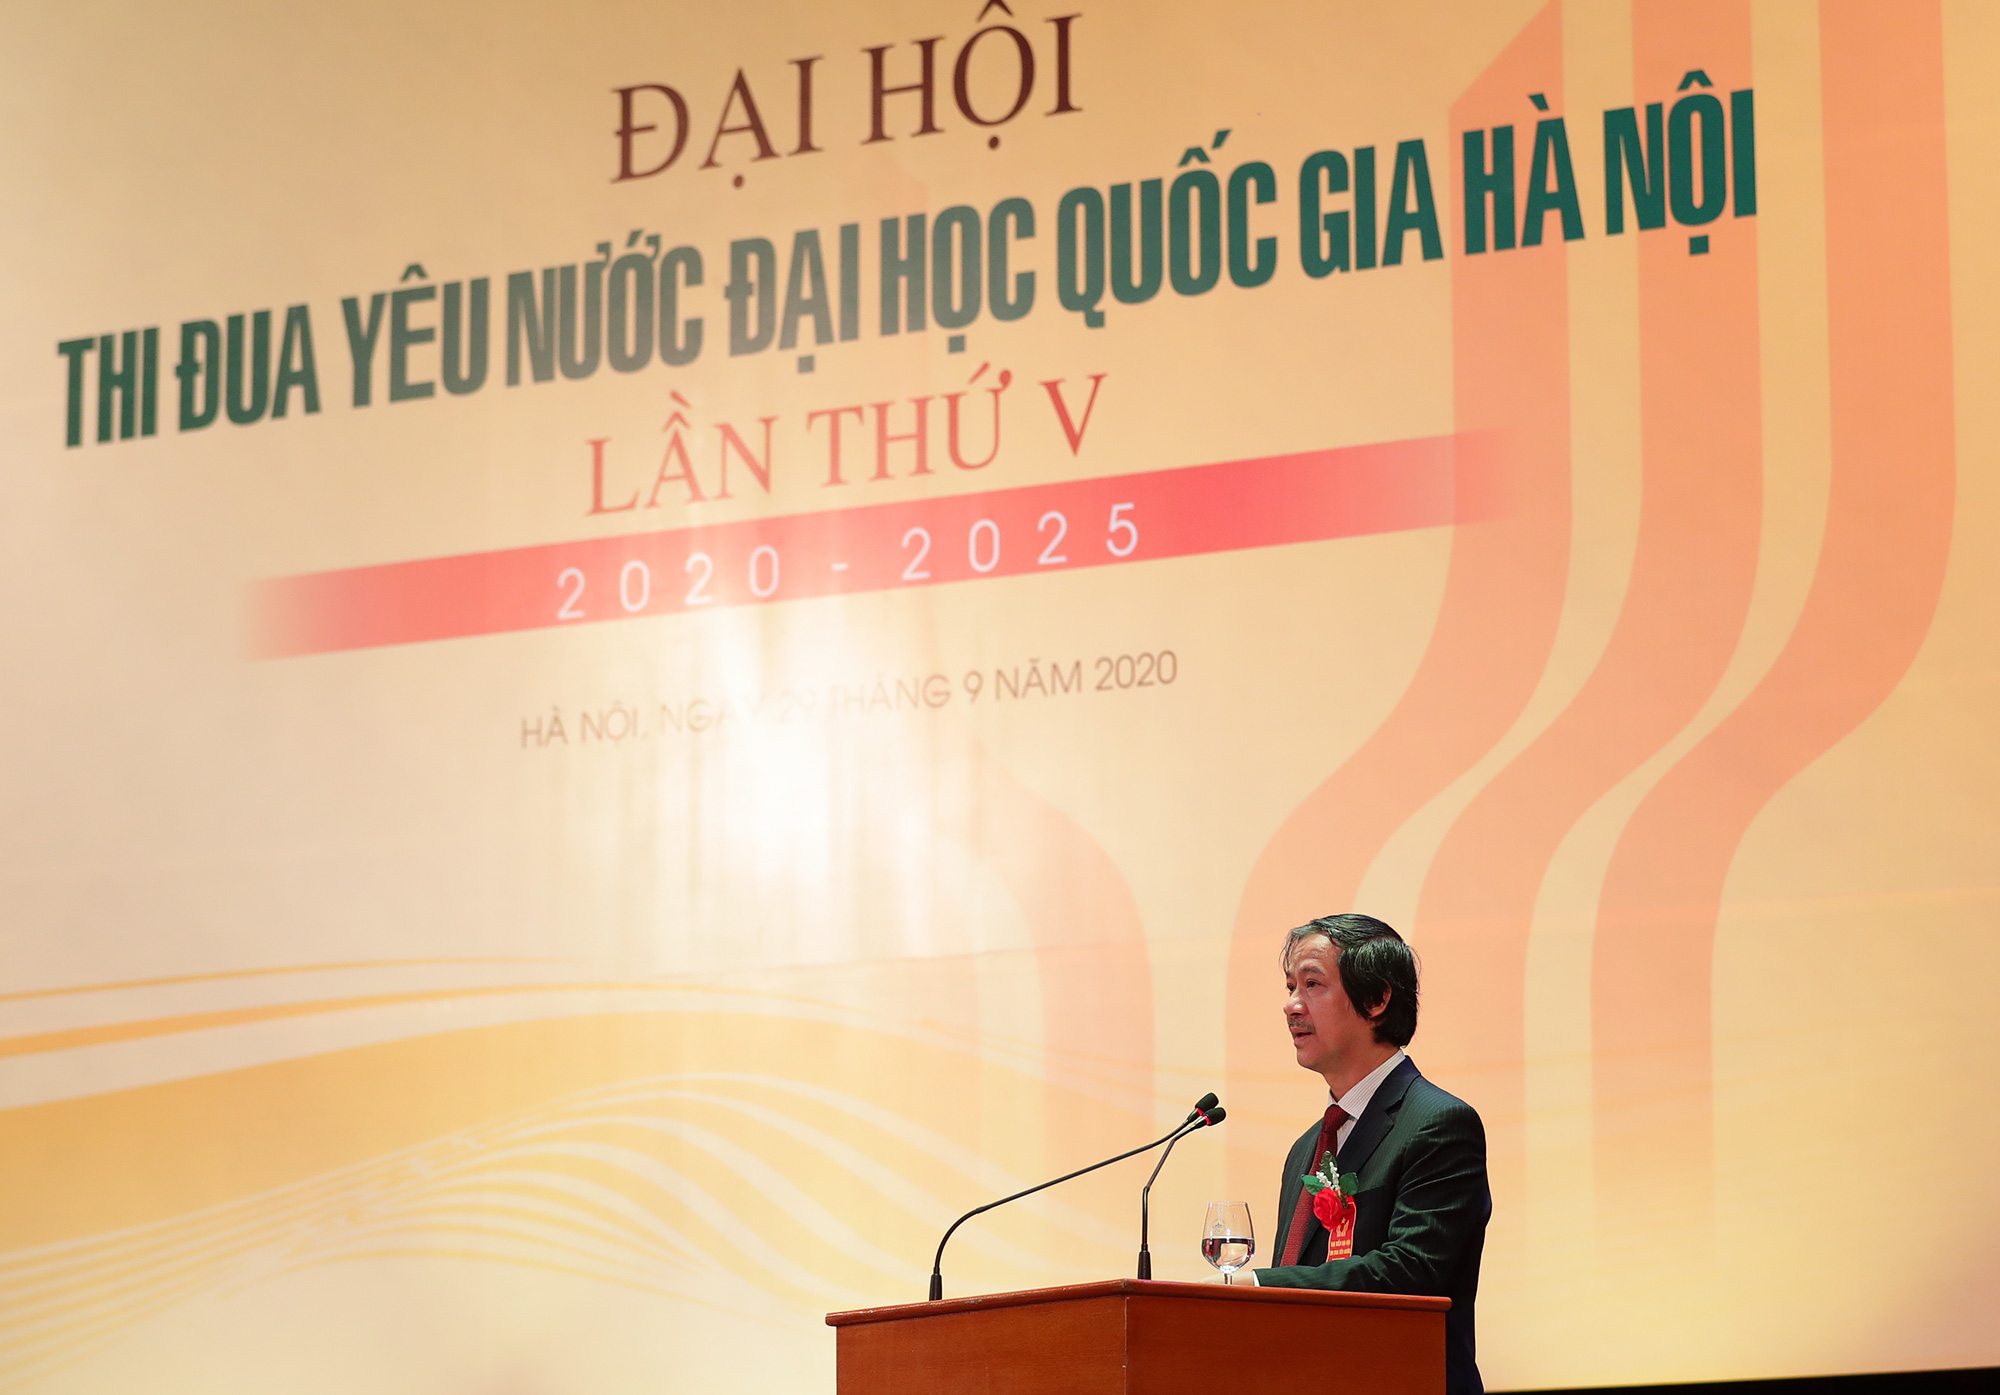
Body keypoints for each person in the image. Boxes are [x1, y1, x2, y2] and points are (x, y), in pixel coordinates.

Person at [1247, 913, 1490, 1395]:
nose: (1291, 1005)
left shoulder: (1439, 1123)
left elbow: (1411, 1271)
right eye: (1290, 987)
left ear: (1377, 999)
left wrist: (1255, 1286)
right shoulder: (1306, 1149)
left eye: (1312, 984)